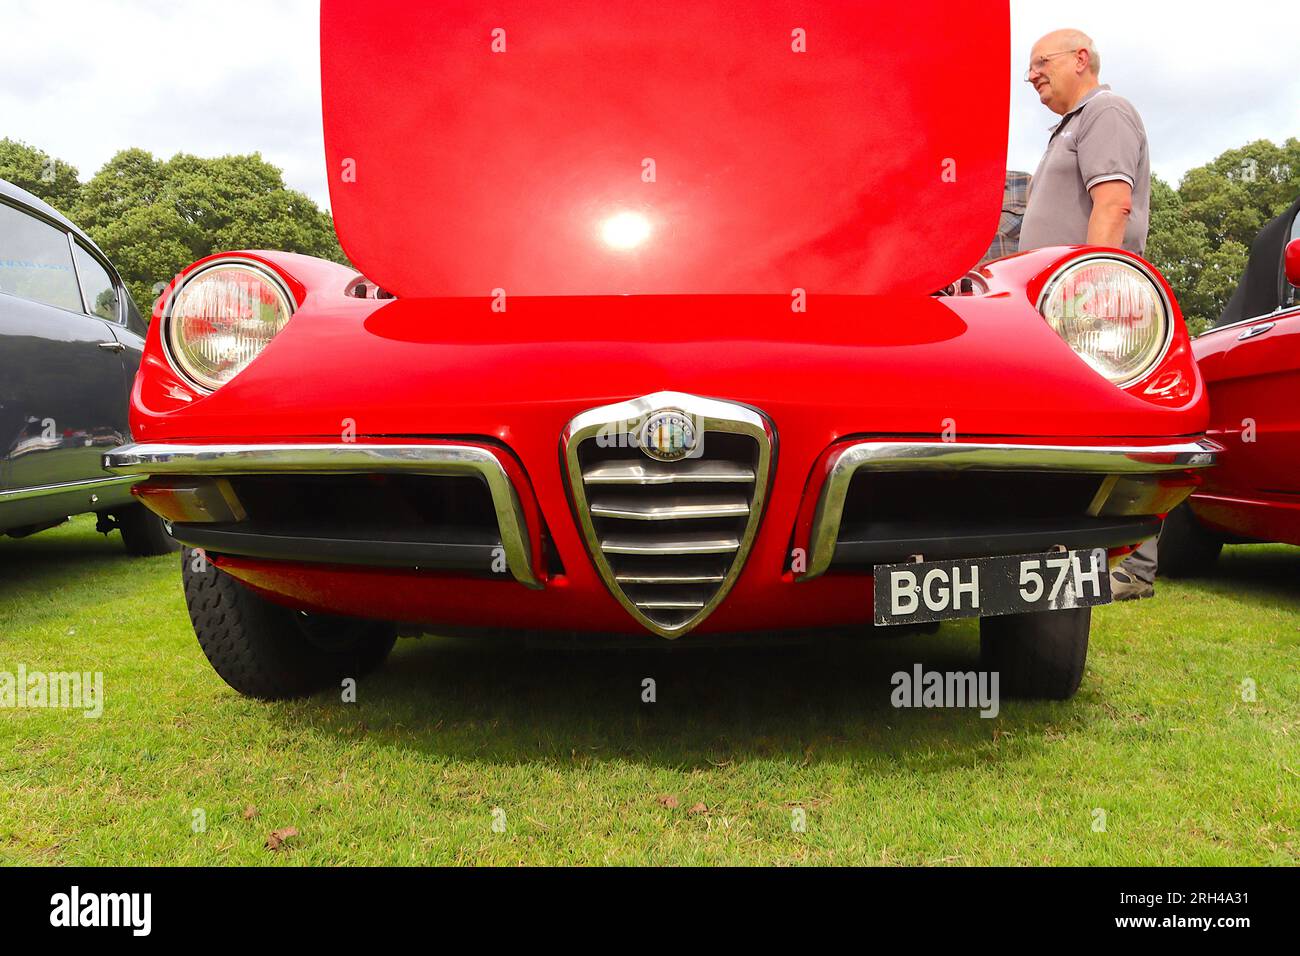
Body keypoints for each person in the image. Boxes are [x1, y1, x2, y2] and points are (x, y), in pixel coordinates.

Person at [1018, 28, 1157, 600]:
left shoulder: (1106, 111)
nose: (1030, 76)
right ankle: (1070, 551)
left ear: (1082, 58)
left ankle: (1133, 566)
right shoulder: (1071, 124)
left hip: (1090, 308)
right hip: (1061, 311)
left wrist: (1097, 288)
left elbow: (1113, 201)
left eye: (1039, 63)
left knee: (1113, 428)